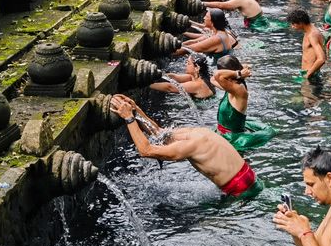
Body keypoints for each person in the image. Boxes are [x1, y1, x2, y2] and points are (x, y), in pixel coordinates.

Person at [111, 94, 262, 198]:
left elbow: (146, 150)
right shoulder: (196, 133)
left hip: (242, 192)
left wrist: (129, 118)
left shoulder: (190, 145)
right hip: (251, 178)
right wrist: (136, 109)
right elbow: (159, 133)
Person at [212, 55, 276, 151]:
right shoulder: (230, 87)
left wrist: (238, 73)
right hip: (223, 134)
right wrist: (238, 71)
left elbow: (217, 75)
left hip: (234, 140)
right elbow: (213, 79)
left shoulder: (238, 89)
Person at [203, 0, 284, 33]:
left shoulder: (239, 0)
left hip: (257, 23)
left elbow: (222, 5)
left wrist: (203, 3)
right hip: (258, 19)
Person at [150, 54, 215, 100]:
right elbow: (175, 77)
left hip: (201, 110)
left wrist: (147, 84)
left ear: (197, 68)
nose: (186, 65)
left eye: (188, 63)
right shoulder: (199, 76)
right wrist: (159, 74)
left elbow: (169, 88)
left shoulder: (197, 84)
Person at [287, 9, 326, 82]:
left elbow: (322, 59)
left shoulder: (312, 35)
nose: (292, 26)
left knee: (305, 93)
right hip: (308, 73)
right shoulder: (308, 32)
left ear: (301, 23)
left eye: (293, 24)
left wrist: (308, 75)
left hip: (311, 76)